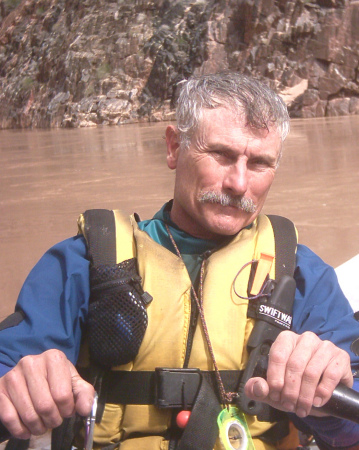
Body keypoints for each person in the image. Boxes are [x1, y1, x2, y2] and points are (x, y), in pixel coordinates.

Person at [0, 72, 359, 450]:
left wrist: (326, 394)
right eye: (221, 154)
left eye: (259, 164)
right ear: (174, 148)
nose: (239, 183)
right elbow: (10, 365)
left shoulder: (302, 274)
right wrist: (14, 386)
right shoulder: (83, 262)